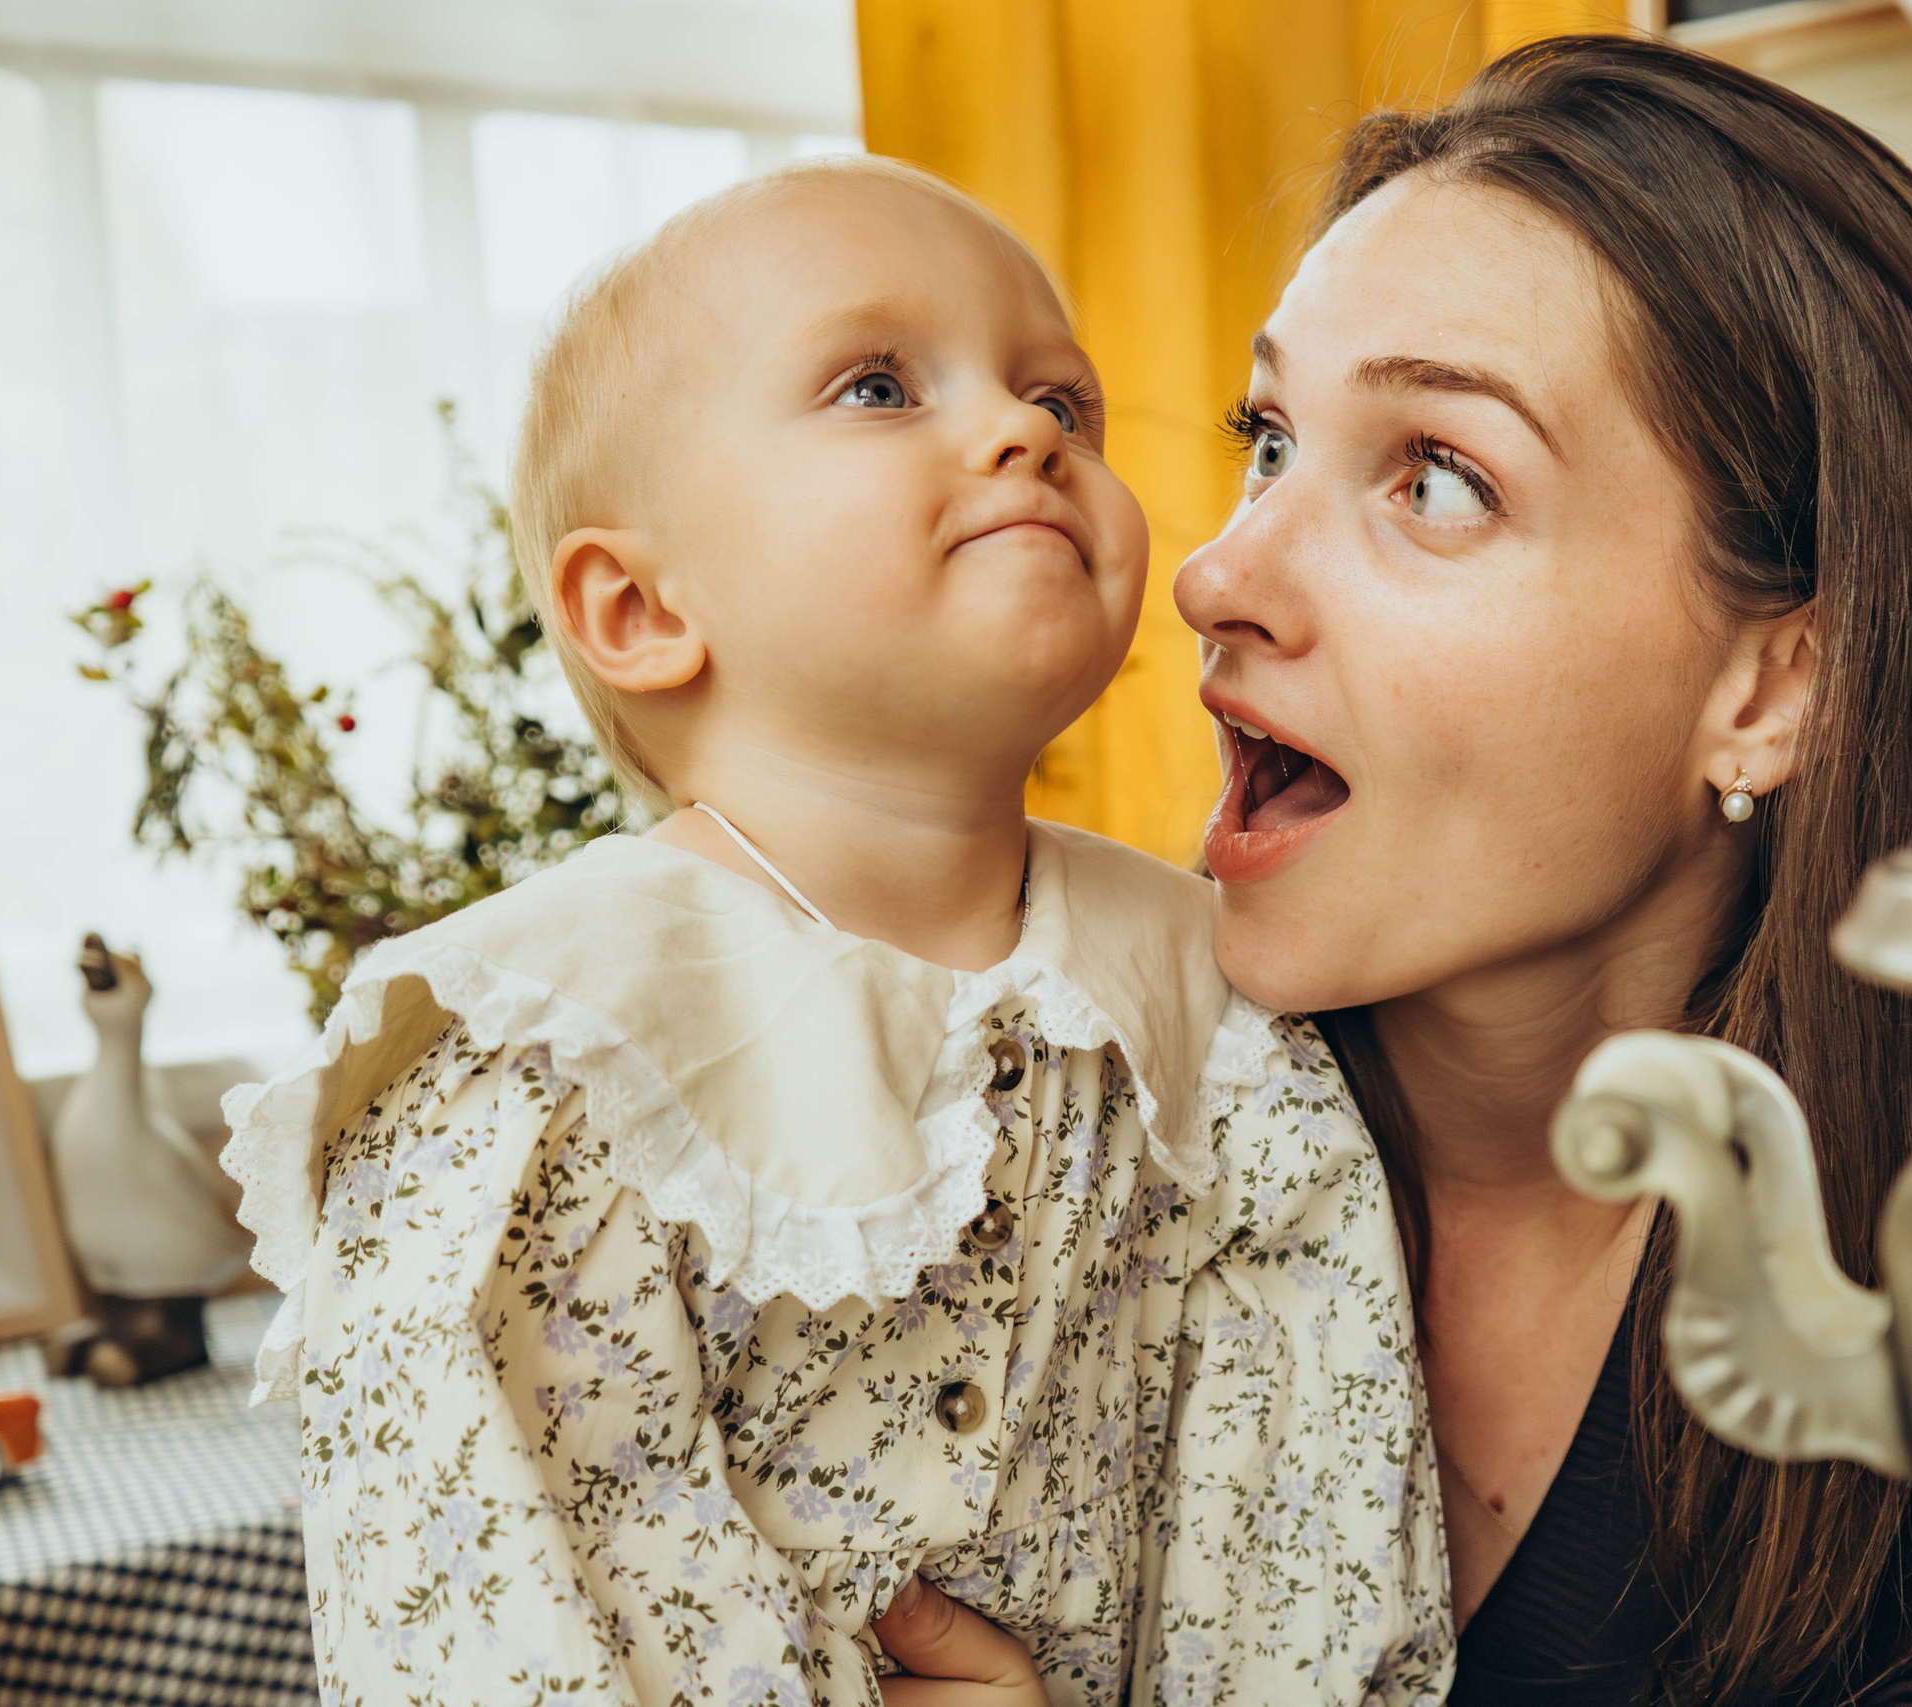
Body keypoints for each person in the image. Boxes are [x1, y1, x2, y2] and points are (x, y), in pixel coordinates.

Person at [219, 156, 1452, 1707]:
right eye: (877, 387)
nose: (1024, 432)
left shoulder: (1215, 1005)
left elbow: (1314, 1536)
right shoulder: (547, 1050)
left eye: (1064, 403)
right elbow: (494, 1623)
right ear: (637, 611)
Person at [1175, 33, 1912, 1707]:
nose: (1217, 573)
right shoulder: (1081, 1163)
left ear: (1770, 690)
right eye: (1268, 439)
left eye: (1440, 478)